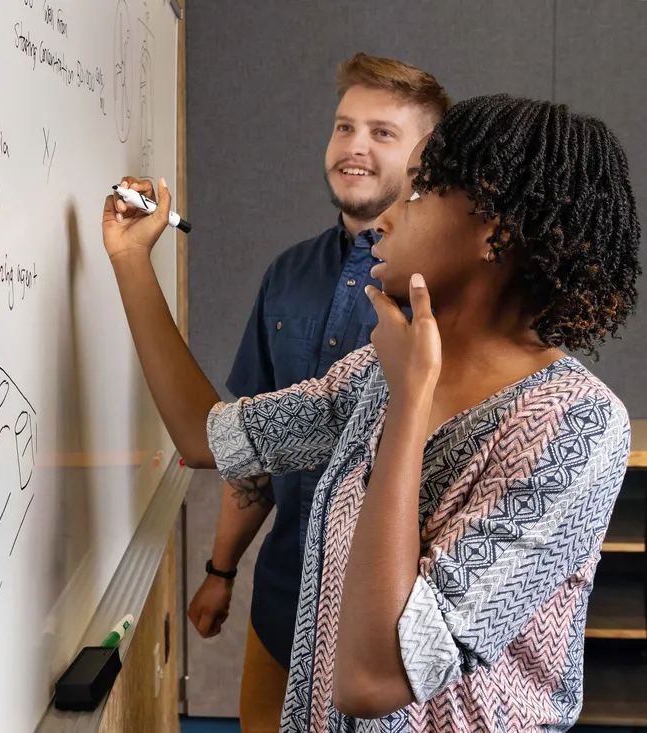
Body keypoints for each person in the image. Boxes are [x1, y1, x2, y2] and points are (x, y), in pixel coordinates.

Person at [103, 93, 640, 730]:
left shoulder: (575, 423)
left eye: (416, 194)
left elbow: (374, 679)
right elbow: (205, 438)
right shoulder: (378, 372)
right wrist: (130, 259)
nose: (384, 219)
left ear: (493, 230)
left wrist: (410, 406)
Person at [184, 52, 449, 730]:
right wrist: (222, 569)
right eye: (343, 127)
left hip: (386, 640)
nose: (354, 147)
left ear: (430, 159)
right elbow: (252, 448)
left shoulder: (443, 294)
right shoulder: (288, 274)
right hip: (280, 606)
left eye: (383, 133)